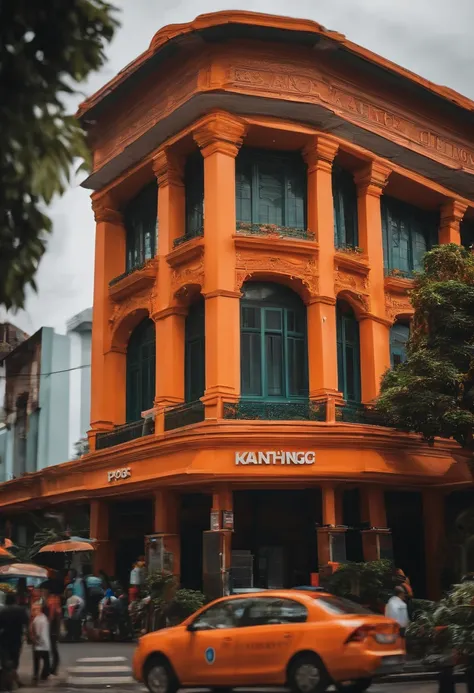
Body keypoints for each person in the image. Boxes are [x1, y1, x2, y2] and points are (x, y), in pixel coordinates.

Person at [0, 592, 29, 690]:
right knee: (15, 659)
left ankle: (7, 683)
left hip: (4, 638)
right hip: (16, 638)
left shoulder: (2, 611)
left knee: (6, 660)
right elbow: (26, 623)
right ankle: (13, 681)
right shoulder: (21, 610)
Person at [31, 603, 51, 685]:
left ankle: (37, 676)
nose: (33, 611)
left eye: (34, 609)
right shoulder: (44, 618)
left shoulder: (37, 619)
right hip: (45, 643)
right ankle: (44, 675)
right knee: (46, 660)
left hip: (39, 643)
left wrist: (35, 640)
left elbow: (37, 633)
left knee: (37, 661)